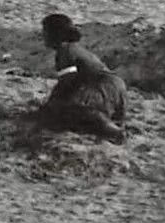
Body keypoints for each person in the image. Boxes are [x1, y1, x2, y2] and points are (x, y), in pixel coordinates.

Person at [38, 13, 127, 143]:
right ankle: (113, 127)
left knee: (75, 109)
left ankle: (113, 131)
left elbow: (67, 81)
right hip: (116, 86)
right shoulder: (76, 49)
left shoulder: (65, 50)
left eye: (45, 32)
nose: (42, 36)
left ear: (55, 33)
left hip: (102, 85)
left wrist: (51, 103)